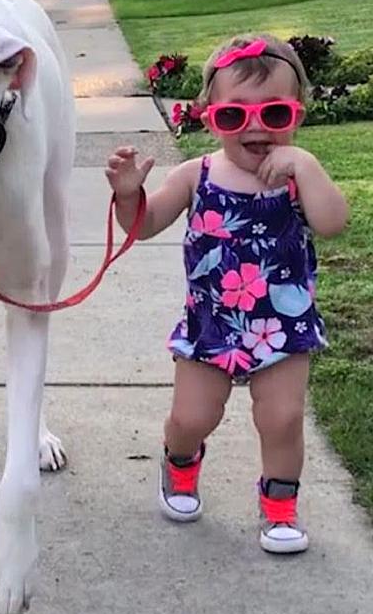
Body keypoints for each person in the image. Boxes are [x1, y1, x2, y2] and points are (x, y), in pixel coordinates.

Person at [104, 34, 349, 554]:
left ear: (297, 115)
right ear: (209, 116)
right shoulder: (197, 175)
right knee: (194, 417)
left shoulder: (297, 178)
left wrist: (305, 166)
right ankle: (179, 461)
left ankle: (280, 507)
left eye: (275, 114)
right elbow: (143, 225)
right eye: (234, 117)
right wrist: (129, 195)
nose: (256, 127)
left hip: (283, 326)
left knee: (281, 419)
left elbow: (333, 223)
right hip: (210, 323)